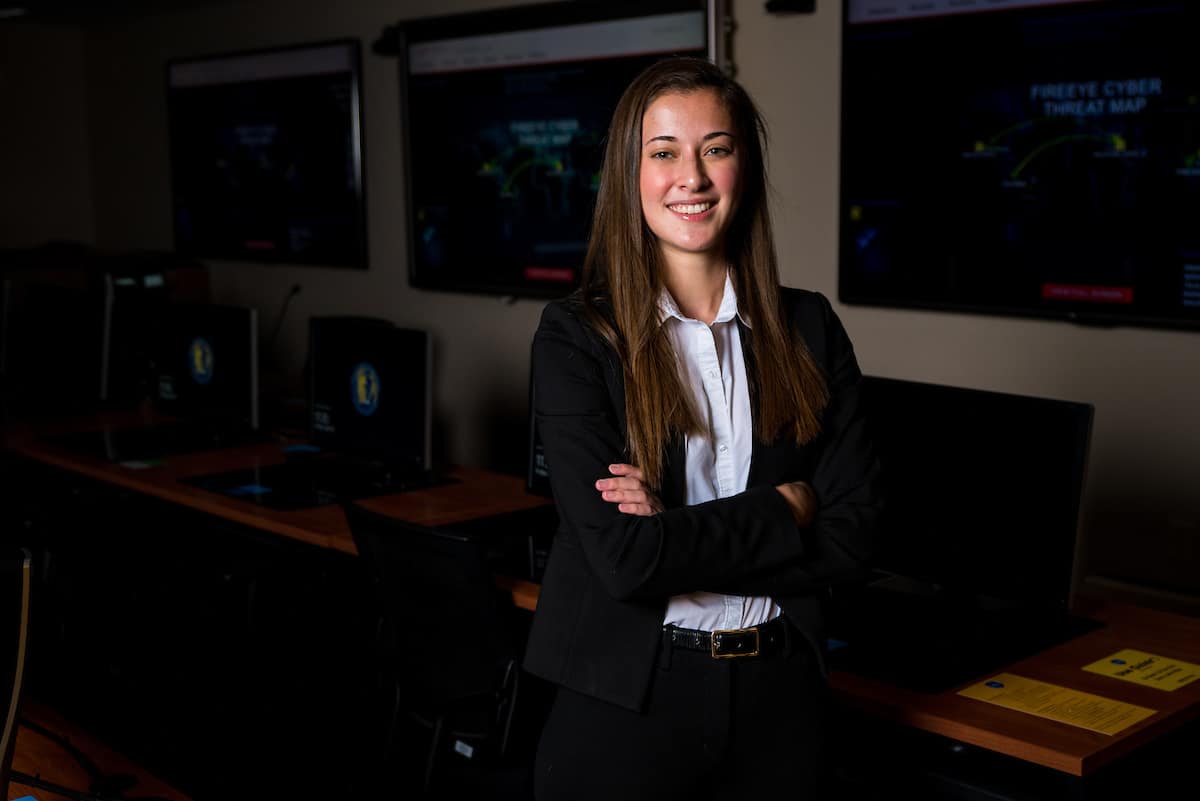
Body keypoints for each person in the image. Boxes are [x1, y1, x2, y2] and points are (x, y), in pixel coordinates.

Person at [525, 56, 881, 800]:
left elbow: (856, 534)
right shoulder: (576, 337)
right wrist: (786, 508)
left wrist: (677, 534)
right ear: (631, 172)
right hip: (629, 697)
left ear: (742, 166)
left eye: (715, 148)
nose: (692, 176)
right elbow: (623, 560)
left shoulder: (810, 326)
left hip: (780, 693)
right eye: (664, 153)